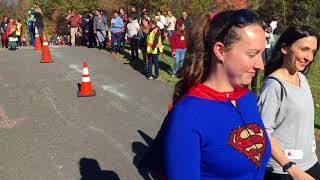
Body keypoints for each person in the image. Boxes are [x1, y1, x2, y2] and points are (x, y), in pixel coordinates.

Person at [139, 9, 271, 179]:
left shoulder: (248, 98)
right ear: (220, 51)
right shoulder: (188, 115)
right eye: (252, 54)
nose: (261, 64)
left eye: (262, 54)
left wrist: (292, 168)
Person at [258, 26, 320, 180]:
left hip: (310, 163)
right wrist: (291, 168)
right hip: (284, 171)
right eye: (304, 49)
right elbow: (262, 131)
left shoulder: (302, 78)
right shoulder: (274, 85)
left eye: (313, 51)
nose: (309, 58)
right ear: (285, 48)